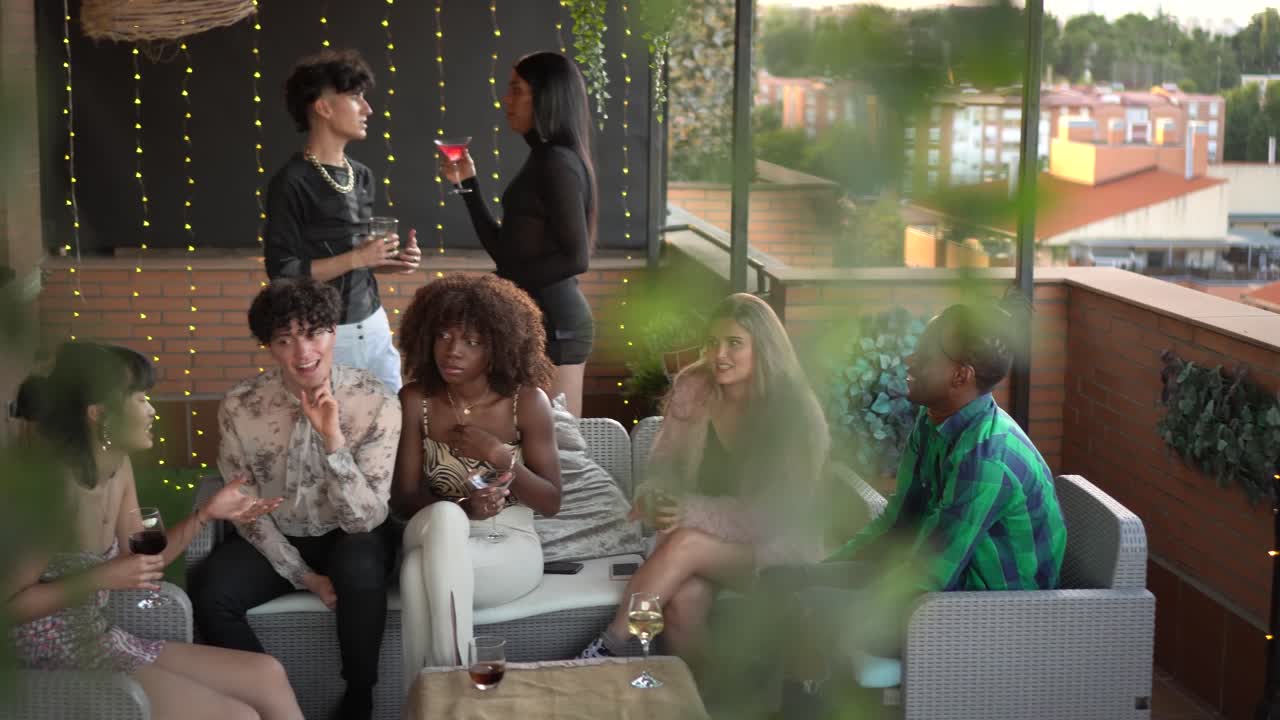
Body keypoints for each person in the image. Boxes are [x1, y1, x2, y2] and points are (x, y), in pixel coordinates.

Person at [759, 299, 1069, 704]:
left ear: (960, 375)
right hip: (938, 584)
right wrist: (826, 570)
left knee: (811, 610)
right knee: (784, 581)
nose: (910, 358)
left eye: (924, 354)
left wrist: (837, 598)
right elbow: (898, 522)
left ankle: (807, 706)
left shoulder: (987, 457)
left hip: (992, 615)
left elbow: (932, 578)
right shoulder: (934, 420)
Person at [6, 342, 303, 720]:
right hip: (46, 656)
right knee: (237, 716)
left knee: (267, 673)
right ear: (99, 414)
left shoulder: (117, 466)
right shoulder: (53, 490)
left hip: (98, 636)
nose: (151, 411)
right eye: (141, 399)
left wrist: (206, 514)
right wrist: (101, 577)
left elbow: (146, 563)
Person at [577, 293, 830, 665]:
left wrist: (688, 512)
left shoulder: (794, 414)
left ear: (765, 349)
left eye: (734, 344)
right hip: (702, 543)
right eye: (712, 342)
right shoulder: (694, 388)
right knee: (681, 604)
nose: (719, 355)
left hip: (775, 551)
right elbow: (664, 469)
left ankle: (604, 652)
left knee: (685, 544)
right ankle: (707, 703)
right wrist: (656, 498)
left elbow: (776, 514)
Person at [189, 278, 401, 720]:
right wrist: (303, 575)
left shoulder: (375, 400)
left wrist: (333, 441)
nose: (302, 353)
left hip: (351, 535)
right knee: (210, 591)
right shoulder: (240, 406)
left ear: (333, 332)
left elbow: (365, 519)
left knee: (361, 567)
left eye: (313, 333)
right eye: (284, 340)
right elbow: (242, 505)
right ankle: (271, 700)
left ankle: (359, 697)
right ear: (268, 346)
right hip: (275, 532)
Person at [392, 274, 562, 673]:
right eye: (444, 336)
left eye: (472, 342)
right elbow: (403, 499)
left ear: (499, 347)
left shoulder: (527, 402)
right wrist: (464, 507)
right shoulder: (416, 400)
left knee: (417, 574)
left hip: (510, 541)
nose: (453, 351)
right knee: (447, 517)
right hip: (432, 526)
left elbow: (551, 501)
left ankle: (424, 701)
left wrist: (500, 456)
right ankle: (456, 682)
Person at [439, 51, 597, 417]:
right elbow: (506, 254)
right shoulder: (544, 158)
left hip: (559, 329)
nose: (505, 99)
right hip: (532, 321)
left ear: (545, 96)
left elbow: (577, 258)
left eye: (516, 90)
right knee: (528, 445)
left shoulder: (557, 162)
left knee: (560, 450)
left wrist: (500, 287)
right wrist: (467, 186)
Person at [264, 48, 421, 394]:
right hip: (324, 334)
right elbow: (282, 270)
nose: (368, 109)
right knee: (334, 435)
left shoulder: (362, 175)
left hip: (374, 324)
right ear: (323, 107)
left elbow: (352, 261)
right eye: (356, 97)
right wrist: (359, 258)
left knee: (392, 424)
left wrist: (387, 262)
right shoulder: (292, 180)